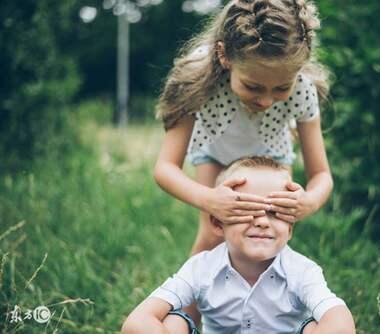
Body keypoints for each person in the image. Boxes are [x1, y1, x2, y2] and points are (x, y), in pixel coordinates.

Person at [154, 0, 333, 257]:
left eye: (282, 88)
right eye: (253, 87)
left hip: (273, 156)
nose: (266, 101)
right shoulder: (196, 80)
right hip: (214, 153)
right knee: (213, 235)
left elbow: (321, 175)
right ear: (224, 55)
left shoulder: (303, 88)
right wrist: (209, 199)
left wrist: (311, 201)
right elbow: (165, 168)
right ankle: (186, 298)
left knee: (270, 237)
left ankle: (260, 297)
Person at [122, 157, 355, 334]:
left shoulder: (302, 271)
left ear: (290, 228)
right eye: (247, 210)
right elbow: (136, 322)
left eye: (275, 213)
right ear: (217, 223)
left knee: (317, 325)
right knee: (172, 322)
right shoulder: (201, 268)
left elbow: (341, 322)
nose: (263, 221)